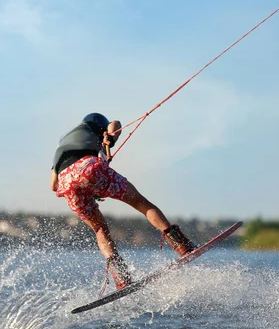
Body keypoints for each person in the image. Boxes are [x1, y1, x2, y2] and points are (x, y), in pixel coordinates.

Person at [50, 113, 196, 290]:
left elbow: (53, 185)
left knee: (99, 228)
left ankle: (121, 277)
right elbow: (115, 124)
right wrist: (110, 138)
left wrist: (88, 187)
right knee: (142, 204)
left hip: (66, 183)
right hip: (88, 167)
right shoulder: (91, 125)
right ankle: (182, 246)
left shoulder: (61, 148)